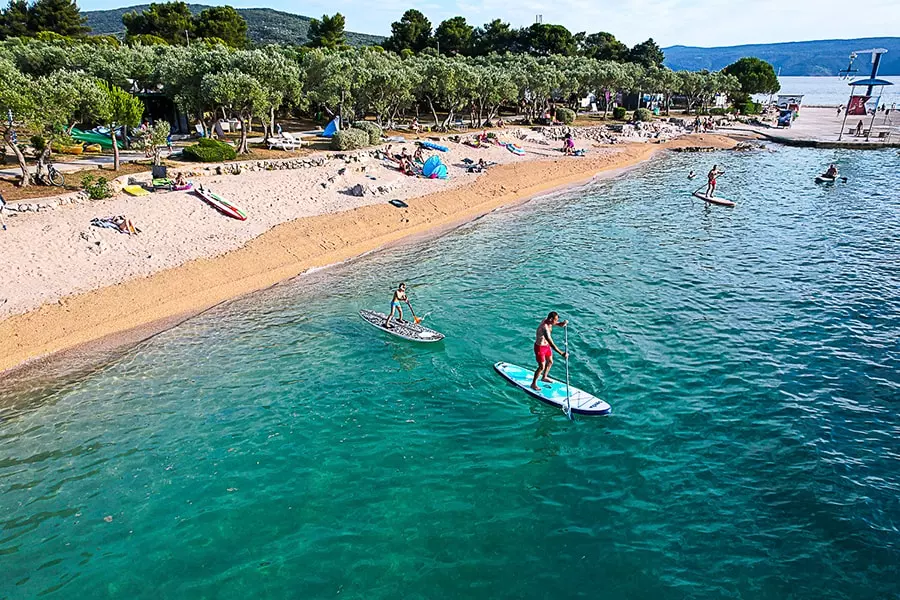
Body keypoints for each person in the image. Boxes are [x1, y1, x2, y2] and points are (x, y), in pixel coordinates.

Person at [531, 312, 568, 391]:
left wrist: (561, 324)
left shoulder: (548, 321)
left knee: (550, 361)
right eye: (555, 320)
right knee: (541, 367)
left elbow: (556, 324)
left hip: (546, 347)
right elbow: (551, 343)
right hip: (540, 348)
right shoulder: (544, 328)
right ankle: (533, 384)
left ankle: (544, 377)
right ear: (551, 319)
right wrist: (562, 353)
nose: (556, 321)